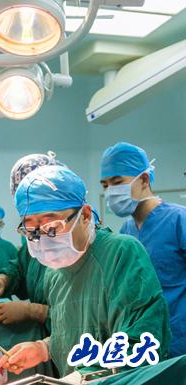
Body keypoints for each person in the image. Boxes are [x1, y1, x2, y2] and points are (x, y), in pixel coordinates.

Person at [0, 165, 171, 379]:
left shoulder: (121, 253)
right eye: (32, 231)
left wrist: (84, 377)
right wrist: (44, 348)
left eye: (52, 227)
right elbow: (75, 331)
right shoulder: (54, 270)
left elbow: (142, 340)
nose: (43, 240)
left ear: (85, 215)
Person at [100, 142, 186, 357]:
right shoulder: (125, 232)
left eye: (117, 182)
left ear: (144, 180)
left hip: (180, 339)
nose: (110, 191)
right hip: (145, 343)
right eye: (105, 185)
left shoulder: (179, 220)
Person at [0, 152, 61, 325]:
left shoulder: (75, 245)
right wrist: (3, 279)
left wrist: (34, 311)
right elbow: (20, 266)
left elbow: (85, 316)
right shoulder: (36, 239)